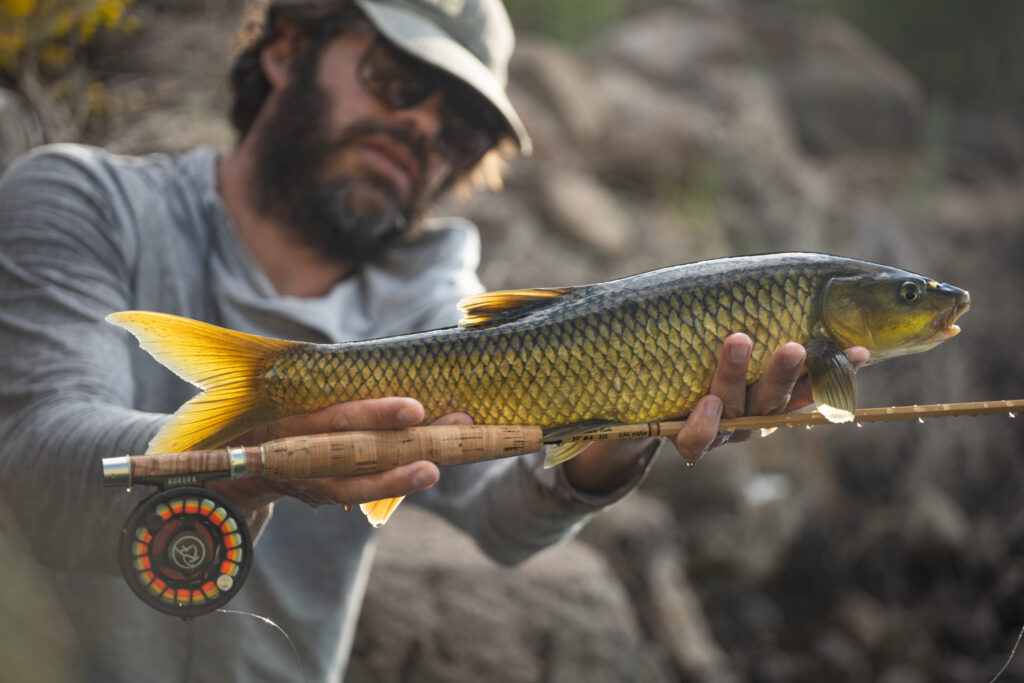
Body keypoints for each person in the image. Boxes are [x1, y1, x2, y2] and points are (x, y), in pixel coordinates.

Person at [0, 0, 866, 680]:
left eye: (458, 130)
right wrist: (255, 454)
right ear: (285, 46)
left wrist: (620, 432)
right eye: (393, 76)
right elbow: (32, 459)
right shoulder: (84, 203)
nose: (419, 128)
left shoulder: (439, 304)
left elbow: (502, 517)